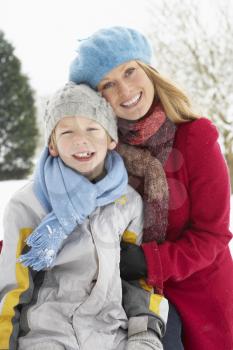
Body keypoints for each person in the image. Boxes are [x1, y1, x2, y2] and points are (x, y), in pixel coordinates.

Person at [69, 26, 233, 350]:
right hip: (129, 302)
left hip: (199, 300)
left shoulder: (196, 138)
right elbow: (55, 207)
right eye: (108, 84)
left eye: (129, 71)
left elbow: (212, 237)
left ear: (147, 69)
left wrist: (149, 262)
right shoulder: (97, 151)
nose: (125, 89)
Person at [0, 82, 168, 350]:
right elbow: (10, 291)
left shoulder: (127, 203)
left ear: (111, 139)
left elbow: (136, 279)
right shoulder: (27, 205)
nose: (81, 139)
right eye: (67, 131)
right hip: (46, 337)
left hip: (112, 335)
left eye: (92, 128)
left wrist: (143, 334)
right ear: (52, 145)